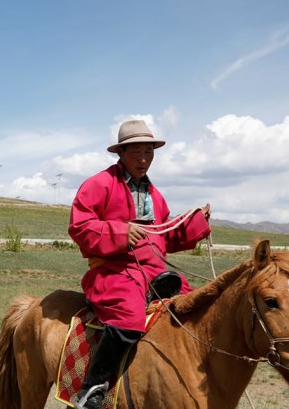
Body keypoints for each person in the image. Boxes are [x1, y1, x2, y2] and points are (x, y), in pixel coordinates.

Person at [68, 119, 211, 409]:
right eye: (137, 153)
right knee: (129, 316)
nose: (144, 159)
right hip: (114, 272)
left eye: (149, 152)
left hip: (154, 273)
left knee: (196, 306)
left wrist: (196, 223)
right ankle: (93, 388)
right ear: (121, 153)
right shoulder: (99, 184)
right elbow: (79, 226)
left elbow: (164, 236)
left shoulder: (155, 195)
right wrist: (119, 232)